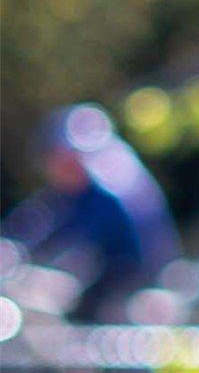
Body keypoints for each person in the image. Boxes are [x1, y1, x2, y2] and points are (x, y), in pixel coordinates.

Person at [1, 104, 178, 322]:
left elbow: (68, 230)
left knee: (73, 312)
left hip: (134, 279)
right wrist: (15, 246)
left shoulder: (107, 192)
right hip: (117, 273)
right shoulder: (82, 190)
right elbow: (43, 219)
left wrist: (22, 252)